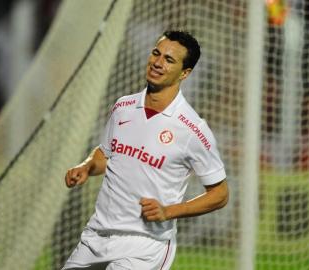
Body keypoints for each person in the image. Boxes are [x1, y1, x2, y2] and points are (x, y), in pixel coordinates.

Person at [63, 30, 229, 270]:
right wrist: (87, 166)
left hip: (145, 246)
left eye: (169, 60)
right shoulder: (123, 106)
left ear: (185, 73)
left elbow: (220, 194)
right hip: (96, 235)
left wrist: (168, 211)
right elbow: (106, 153)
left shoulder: (193, 129)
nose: (158, 63)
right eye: (156, 53)